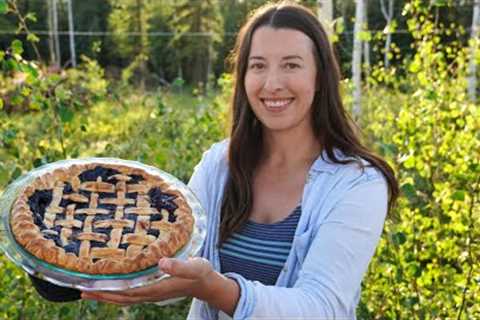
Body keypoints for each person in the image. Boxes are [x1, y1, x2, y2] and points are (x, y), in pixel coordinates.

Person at [81, 2, 399, 319]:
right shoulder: (220, 163)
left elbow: (321, 308)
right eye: (258, 65)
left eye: (291, 65)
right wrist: (77, 262)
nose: (272, 83)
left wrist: (216, 289)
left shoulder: (358, 182)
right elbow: (172, 264)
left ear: (321, 76)